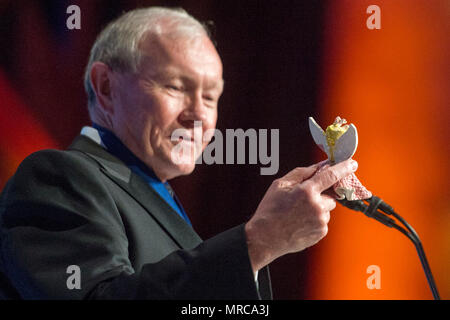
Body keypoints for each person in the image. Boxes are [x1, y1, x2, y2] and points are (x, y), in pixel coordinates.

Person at [0, 7, 357, 299]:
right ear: (106, 87)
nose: (199, 114)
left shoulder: (154, 193)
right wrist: (258, 242)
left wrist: (261, 249)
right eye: (175, 86)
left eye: (210, 96)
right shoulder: (57, 178)